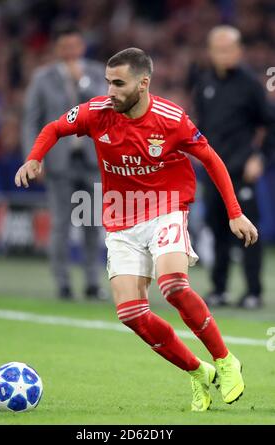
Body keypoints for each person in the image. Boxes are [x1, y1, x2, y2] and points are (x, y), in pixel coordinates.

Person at [15, 48, 258, 411]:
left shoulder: (170, 119)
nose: (109, 90)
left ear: (143, 84)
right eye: (107, 82)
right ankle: (200, 373)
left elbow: (211, 159)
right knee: (131, 314)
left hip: (167, 208)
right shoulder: (97, 112)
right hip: (121, 219)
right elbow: (53, 128)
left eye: (118, 83)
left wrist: (234, 212)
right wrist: (35, 157)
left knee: (174, 285)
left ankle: (225, 359)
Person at [190, 25, 275, 309]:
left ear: (239, 51)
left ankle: (253, 291)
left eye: (229, 49)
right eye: (218, 50)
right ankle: (220, 289)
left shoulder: (250, 85)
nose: (224, 55)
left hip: (241, 171)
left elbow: (271, 125)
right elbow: (199, 127)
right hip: (212, 171)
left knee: (248, 233)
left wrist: (260, 158)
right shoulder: (204, 84)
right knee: (217, 231)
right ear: (210, 52)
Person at [22, 23, 108, 300]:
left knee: (94, 223)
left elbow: (104, 109)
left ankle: (93, 282)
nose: (70, 52)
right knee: (60, 223)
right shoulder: (42, 78)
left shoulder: (96, 74)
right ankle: (63, 283)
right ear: (56, 49)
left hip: (93, 160)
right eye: (65, 47)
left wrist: (81, 83)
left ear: (82, 46)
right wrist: (33, 158)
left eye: (74, 46)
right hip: (59, 161)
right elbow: (30, 121)